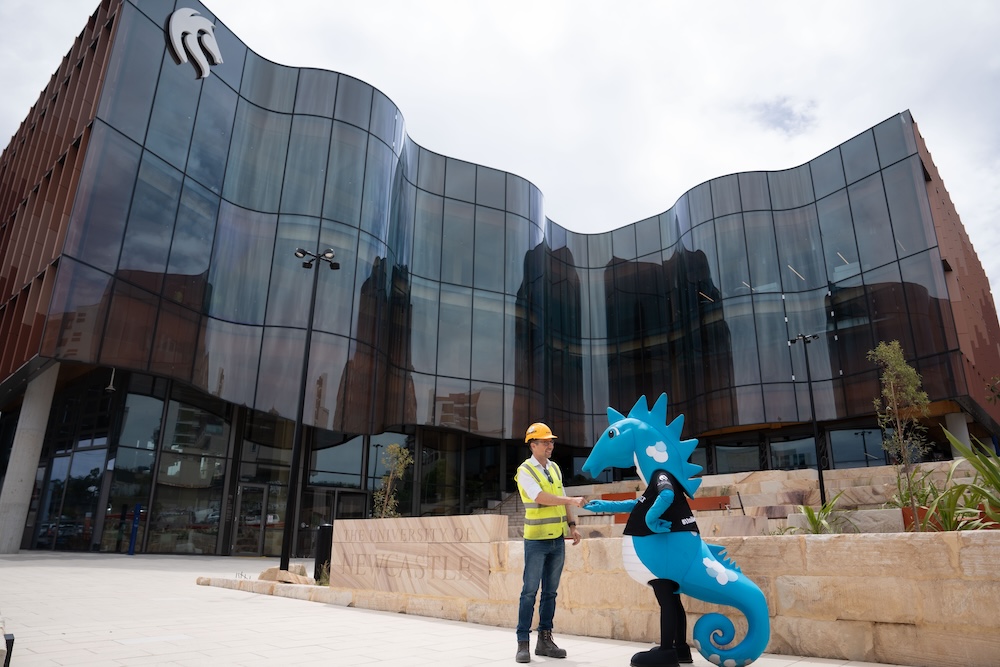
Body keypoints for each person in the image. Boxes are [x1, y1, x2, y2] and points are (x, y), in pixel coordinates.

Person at [514, 422, 584, 663]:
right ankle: (522, 642)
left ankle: (545, 640)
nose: (550, 445)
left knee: (550, 593)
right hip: (536, 541)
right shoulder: (525, 470)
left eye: (551, 441)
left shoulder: (554, 468)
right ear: (533, 445)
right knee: (529, 592)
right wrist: (571, 499)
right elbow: (540, 497)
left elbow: (563, 501)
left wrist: (572, 526)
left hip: (557, 540)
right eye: (545, 442)